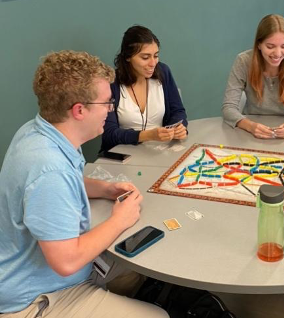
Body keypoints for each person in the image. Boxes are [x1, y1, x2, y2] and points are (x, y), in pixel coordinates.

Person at [0, 51, 168, 318]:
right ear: (79, 110)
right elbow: (66, 262)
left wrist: (106, 189)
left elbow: (70, 180)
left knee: (141, 264)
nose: (110, 109)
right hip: (36, 298)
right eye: (106, 103)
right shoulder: (49, 171)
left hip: (49, 272)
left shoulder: (40, 132)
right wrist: (119, 220)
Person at [222, 14, 284, 139]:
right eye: (270, 46)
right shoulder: (243, 61)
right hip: (251, 133)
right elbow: (228, 108)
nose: (278, 53)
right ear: (259, 44)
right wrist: (250, 126)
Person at [101, 25, 187, 152]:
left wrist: (180, 127)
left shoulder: (163, 72)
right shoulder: (111, 83)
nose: (153, 63)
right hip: (122, 156)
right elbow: (109, 134)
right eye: (145, 57)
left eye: (156, 56)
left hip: (160, 151)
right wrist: (148, 135)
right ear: (127, 57)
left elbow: (178, 111)